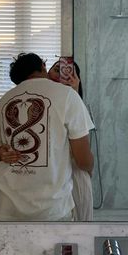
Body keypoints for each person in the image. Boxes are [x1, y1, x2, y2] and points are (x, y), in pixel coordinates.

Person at [0, 52, 94, 221]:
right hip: (52, 208)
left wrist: (4, 153)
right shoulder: (67, 96)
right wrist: (90, 168)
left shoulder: (4, 100)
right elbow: (83, 160)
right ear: (43, 66)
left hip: (9, 207)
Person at [48, 60, 95, 221]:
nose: (62, 74)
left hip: (75, 172)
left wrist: (74, 91)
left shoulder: (76, 104)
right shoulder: (41, 104)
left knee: (81, 227)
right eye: (57, 69)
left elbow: (83, 151)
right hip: (52, 174)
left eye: (69, 71)